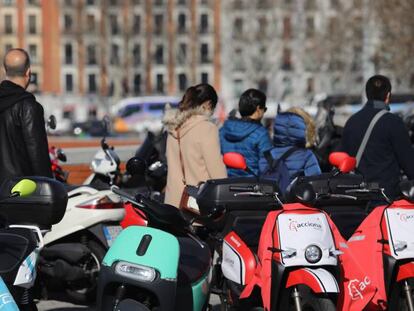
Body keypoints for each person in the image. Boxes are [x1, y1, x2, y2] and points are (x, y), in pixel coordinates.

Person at [341, 75, 414, 200]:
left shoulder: (351, 122)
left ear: (367, 94)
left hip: (356, 197)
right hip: (385, 196)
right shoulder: (394, 122)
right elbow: (409, 166)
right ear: (388, 96)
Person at [163, 83, 227, 208]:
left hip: (173, 202)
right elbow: (216, 171)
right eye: (213, 108)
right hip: (196, 205)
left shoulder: (173, 127)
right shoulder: (207, 128)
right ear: (208, 104)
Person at [0, 48, 52, 187]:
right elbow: (37, 155)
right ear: (28, 72)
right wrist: (49, 187)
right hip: (20, 192)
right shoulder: (28, 106)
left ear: (5, 71)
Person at [259, 107, 321, 187]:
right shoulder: (307, 156)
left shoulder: (266, 155)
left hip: (272, 198)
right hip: (296, 198)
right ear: (300, 129)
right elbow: (316, 184)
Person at [220, 88, 272, 177]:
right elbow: (267, 166)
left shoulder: (223, 130)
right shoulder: (261, 134)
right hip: (252, 186)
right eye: (265, 109)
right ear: (258, 109)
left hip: (226, 184)